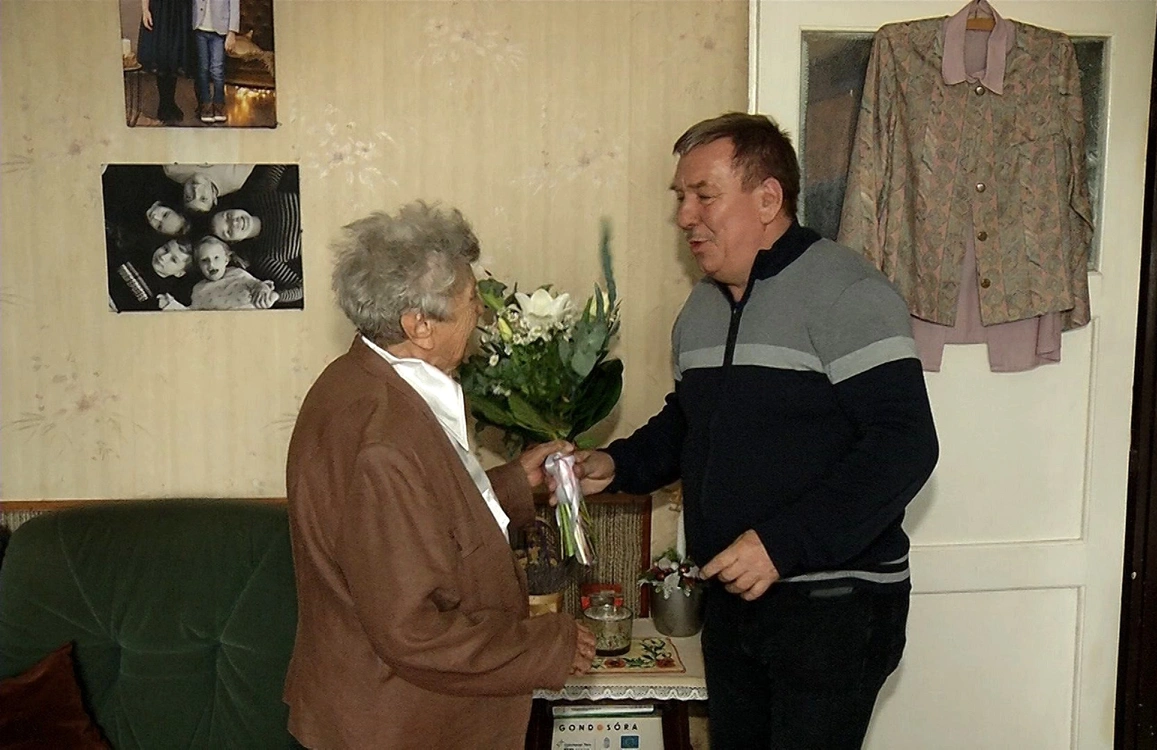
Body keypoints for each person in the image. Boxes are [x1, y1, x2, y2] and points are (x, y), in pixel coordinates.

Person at [575, 113, 939, 749]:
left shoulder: (849, 292)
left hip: (833, 606)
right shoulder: (702, 306)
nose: (685, 216)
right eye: (681, 198)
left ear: (768, 199)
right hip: (733, 600)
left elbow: (904, 444)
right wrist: (617, 464)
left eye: (704, 195)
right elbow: (691, 422)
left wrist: (781, 545)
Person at [284, 201, 595, 749]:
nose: (483, 316)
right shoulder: (383, 438)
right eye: (472, 302)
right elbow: (414, 631)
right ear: (420, 325)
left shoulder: (360, 381)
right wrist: (546, 646)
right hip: (399, 725)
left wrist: (510, 486)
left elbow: (413, 522)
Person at [158, 236, 276, 310]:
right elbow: (192, 316)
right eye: (204, 260)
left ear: (226, 259)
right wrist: (171, 305)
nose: (211, 264)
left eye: (216, 258)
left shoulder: (238, 274)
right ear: (199, 266)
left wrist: (263, 289)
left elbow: (259, 286)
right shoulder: (199, 290)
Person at [137, 0, 194, 123]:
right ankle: (164, 104)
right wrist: (145, 10)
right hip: (160, 9)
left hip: (179, 9)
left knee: (174, 56)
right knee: (162, 55)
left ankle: (170, 102)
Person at [191, 0, 239, 123]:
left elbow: (234, 6)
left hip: (219, 31)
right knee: (203, 69)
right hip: (199, 28)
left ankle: (219, 105)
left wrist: (232, 32)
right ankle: (205, 105)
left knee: (217, 69)